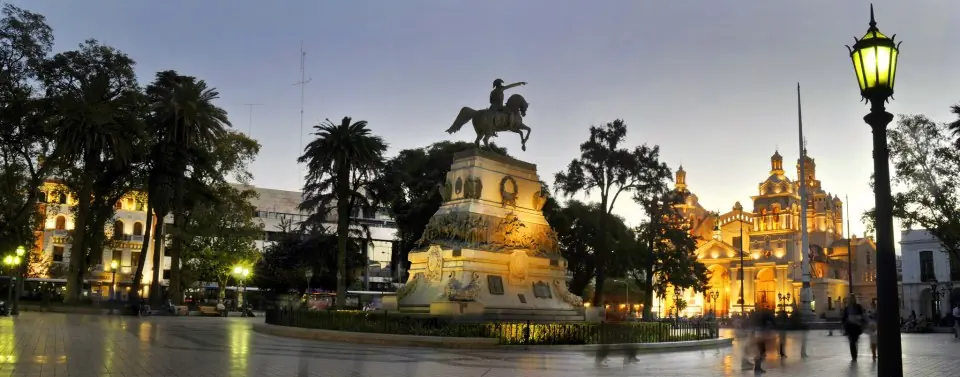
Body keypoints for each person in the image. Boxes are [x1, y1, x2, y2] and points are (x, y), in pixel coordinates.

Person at [841, 295, 868, 362]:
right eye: (850, 298)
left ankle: (854, 355)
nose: (851, 300)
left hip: (856, 326)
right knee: (852, 341)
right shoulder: (847, 308)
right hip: (850, 326)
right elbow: (844, 317)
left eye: (852, 298)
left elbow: (862, 315)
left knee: (854, 341)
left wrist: (858, 318)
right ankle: (854, 356)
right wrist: (845, 323)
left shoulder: (858, 307)